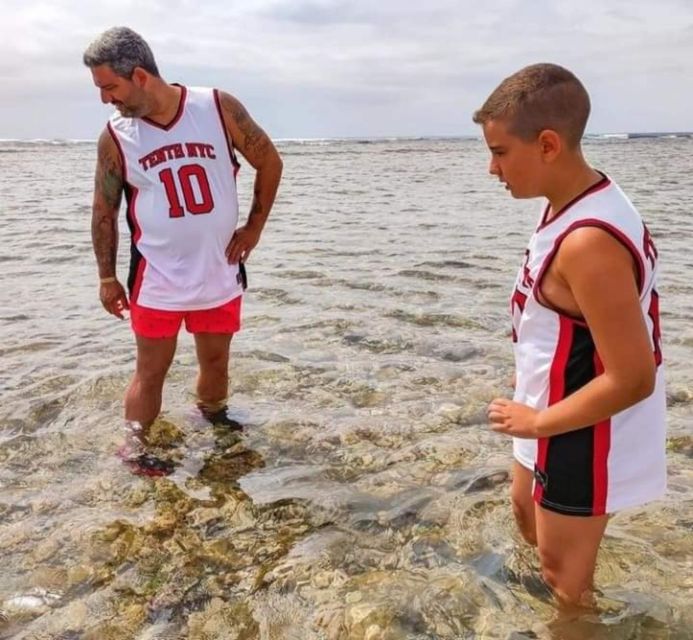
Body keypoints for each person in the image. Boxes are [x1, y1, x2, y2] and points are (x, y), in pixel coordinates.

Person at [473, 63, 666, 607]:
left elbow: (633, 377)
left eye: (501, 152)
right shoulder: (568, 201)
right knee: (524, 513)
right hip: (546, 407)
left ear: (549, 145)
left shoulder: (589, 243)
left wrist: (539, 422)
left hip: (581, 430)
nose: (492, 168)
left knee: (565, 583)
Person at [83, 27, 283, 474]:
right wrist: (106, 276)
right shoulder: (116, 136)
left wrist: (254, 227)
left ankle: (214, 424)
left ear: (139, 75)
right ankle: (136, 447)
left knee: (215, 361)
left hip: (219, 269)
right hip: (156, 277)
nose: (105, 99)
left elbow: (269, 159)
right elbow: (104, 210)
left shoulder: (216, 108)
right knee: (149, 370)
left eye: (109, 87)